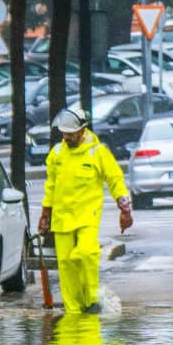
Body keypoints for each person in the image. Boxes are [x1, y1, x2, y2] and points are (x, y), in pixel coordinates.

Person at [38, 105, 133, 316]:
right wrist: (45, 214)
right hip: (62, 217)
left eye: (70, 134)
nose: (67, 137)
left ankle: (90, 299)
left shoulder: (97, 153)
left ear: (82, 131)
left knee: (86, 253)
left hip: (86, 216)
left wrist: (124, 207)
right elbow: (50, 186)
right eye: (64, 133)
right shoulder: (57, 153)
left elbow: (115, 179)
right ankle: (73, 310)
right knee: (66, 263)